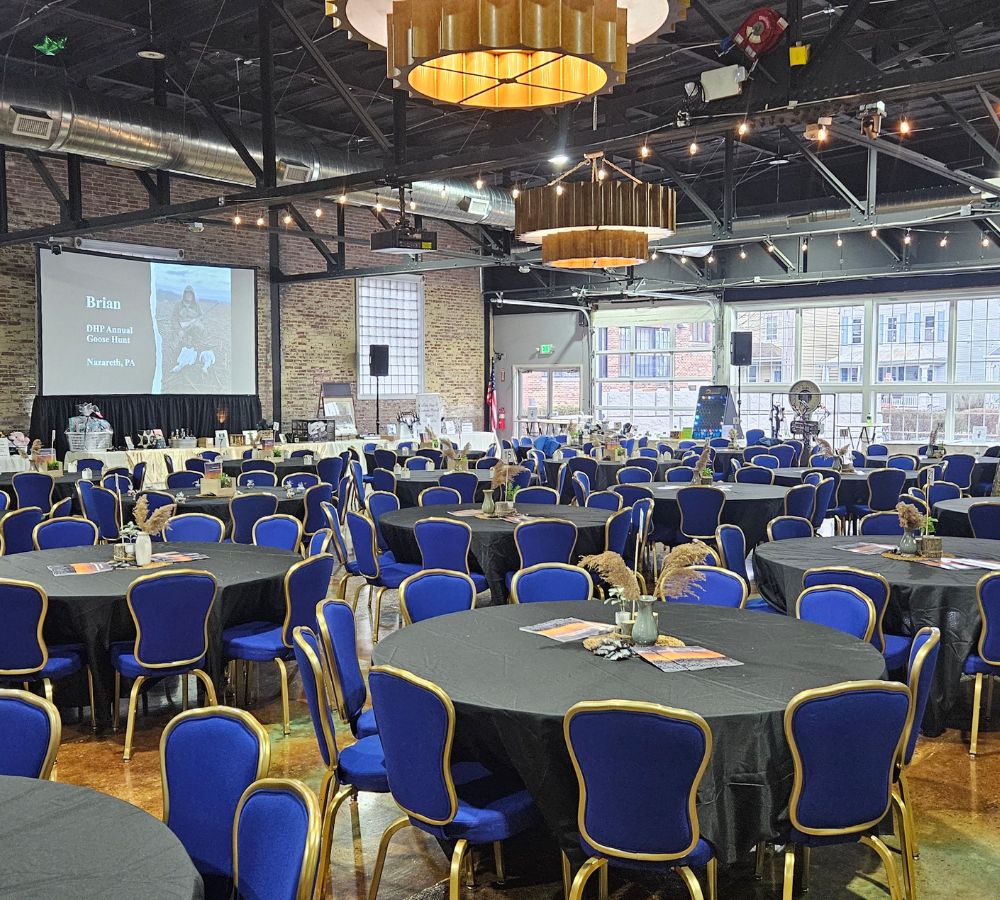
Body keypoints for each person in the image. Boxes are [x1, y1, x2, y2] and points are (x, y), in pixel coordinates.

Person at [170, 285, 216, 374]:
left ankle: (195, 346)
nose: (189, 295)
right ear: (184, 294)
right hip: (181, 328)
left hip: (193, 328)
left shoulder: (196, 305)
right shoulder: (178, 305)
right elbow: (173, 319)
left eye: (190, 294)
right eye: (187, 293)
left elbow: (201, 316)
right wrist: (179, 330)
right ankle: (181, 354)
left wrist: (197, 320)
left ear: (193, 295)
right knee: (176, 349)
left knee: (200, 328)